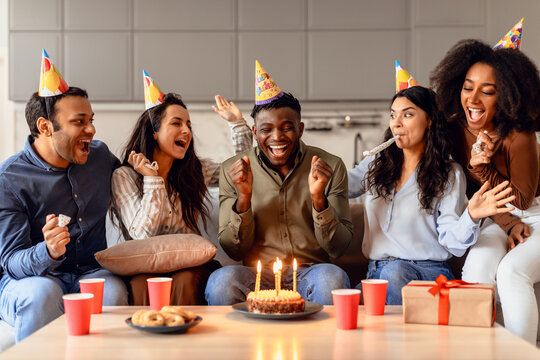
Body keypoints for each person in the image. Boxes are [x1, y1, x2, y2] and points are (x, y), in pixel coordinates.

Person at [0, 51, 128, 342]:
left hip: (91, 272)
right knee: (43, 292)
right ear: (45, 127)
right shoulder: (9, 180)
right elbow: (10, 262)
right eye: (79, 121)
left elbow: (133, 183)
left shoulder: (99, 156)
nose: (91, 129)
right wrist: (47, 251)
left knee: (114, 290)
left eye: (91, 120)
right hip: (31, 280)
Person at [348, 84, 515, 305]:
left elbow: (453, 244)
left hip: (426, 276)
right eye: (393, 115)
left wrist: (472, 216)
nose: (396, 123)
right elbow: (342, 186)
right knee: (342, 300)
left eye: (407, 114)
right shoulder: (377, 163)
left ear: (429, 121)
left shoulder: (449, 173)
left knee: (394, 273)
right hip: (376, 276)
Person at [205, 61, 353, 306]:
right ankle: (237, 344)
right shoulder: (233, 170)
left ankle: (324, 345)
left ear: (300, 129)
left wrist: (319, 201)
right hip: (257, 274)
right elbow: (234, 250)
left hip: (311, 272)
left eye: (287, 128)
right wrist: (243, 199)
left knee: (333, 279)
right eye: (267, 129)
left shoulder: (330, 165)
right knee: (221, 282)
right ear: (254, 132)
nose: (277, 137)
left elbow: (339, 247)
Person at [430, 38, 540, 344]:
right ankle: (474, 351)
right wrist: (507, 223)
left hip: (535, 214)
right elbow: (489, 205)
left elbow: (520, 199)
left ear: (505, 96)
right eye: (468, 87)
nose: (473, 99)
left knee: (512, 272)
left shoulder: (520, 135)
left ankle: (522, 354)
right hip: (496, 216)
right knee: (477, 266)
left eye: (487, 91)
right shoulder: (455, 129)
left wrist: (481, 168)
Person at [110, 71, 252, 305]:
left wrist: (237, 123)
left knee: (186, 279)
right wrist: (152, 180)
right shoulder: (124, 176)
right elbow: (141, 234)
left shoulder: (196, 171)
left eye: (188, 124)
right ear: (153, 132)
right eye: (176, 123)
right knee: (141, 283)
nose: (186, 131)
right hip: (144, 265)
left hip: (190, 264)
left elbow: (241, 169)